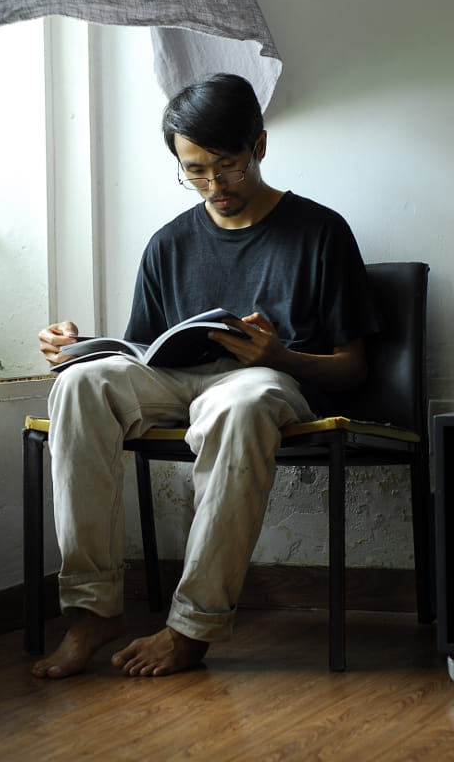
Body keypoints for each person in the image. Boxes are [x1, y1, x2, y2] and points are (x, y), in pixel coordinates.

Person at [33, 73, 379, 680]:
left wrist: (279, 356)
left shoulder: (321, 232)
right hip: (178, 382)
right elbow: (143, 353)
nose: (214, 186)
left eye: (228, 166)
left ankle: (193, 626)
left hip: (267, 382)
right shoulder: (167, 244)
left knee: (240, 403)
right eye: (194, 170)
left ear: (259, 146)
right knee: (81, 385)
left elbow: (354, 367)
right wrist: (78, 350)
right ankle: (92, 610)